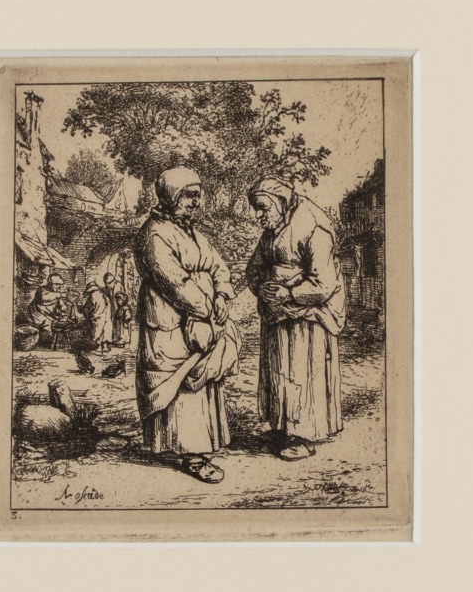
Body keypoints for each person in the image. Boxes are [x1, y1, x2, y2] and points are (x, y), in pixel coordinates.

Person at [134, 167, 240, 481]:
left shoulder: (193, 232)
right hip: (169, 321)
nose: (195, 202)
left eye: (197, 196)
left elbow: (218, 266)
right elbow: (175, 283)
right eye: (189, 196)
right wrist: (207, 308)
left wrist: (222, 294)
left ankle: (197, 448)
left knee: (199, 381)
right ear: (171, 196)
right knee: (180, 383)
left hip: (201, 319)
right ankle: (189, 456)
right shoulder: (154, 234)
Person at [244, 177, 346, 460]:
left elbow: (324, 283)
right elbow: (254, 269)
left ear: (280, 202)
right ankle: (282, 426)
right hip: (277, 314)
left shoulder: (313, 225)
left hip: (307, 317)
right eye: (256, 208)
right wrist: (261, 287)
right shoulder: (271, 229)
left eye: (263, 208)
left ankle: (304, 436)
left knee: (302, 372)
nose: (258, 215)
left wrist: (288, 293)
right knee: (280, 372)